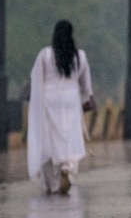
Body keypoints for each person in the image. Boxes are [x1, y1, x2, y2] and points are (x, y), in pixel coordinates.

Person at [27, 20, 94, 195]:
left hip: (49, 100)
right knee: (69, 137)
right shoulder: (80, 56)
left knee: (49, 140)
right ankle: (67, 168)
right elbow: (86, 85)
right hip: (71, 100)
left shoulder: (45, 55)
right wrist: (87, 97)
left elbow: (35, 78)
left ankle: (53, 184)